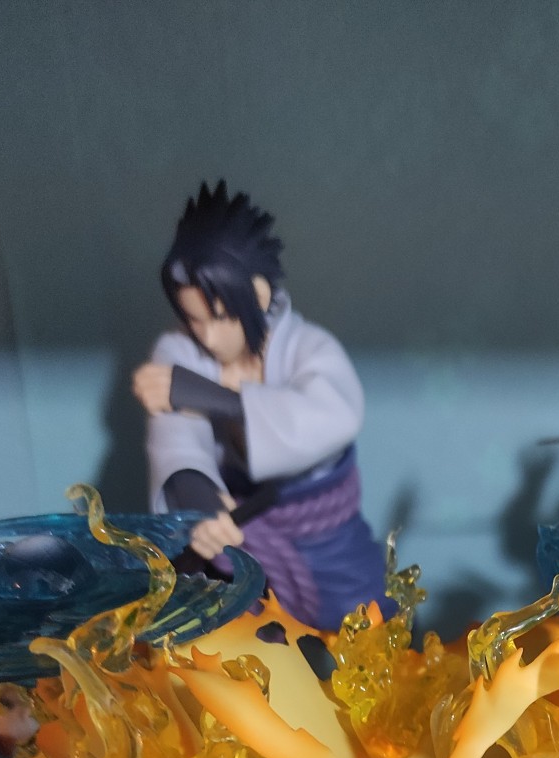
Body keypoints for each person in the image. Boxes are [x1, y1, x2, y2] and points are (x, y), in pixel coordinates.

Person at [132, 182, 388, 631]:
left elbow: (334, 414)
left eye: (219, 318)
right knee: (225, 632)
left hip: (323, 537)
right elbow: (175, 441)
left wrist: (214, 398)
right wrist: (203, 506)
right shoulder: (179, 352)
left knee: (365, 623)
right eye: (194, 319)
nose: (207, 337)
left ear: (258, 294)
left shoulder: (309, 347)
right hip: (232, 530)